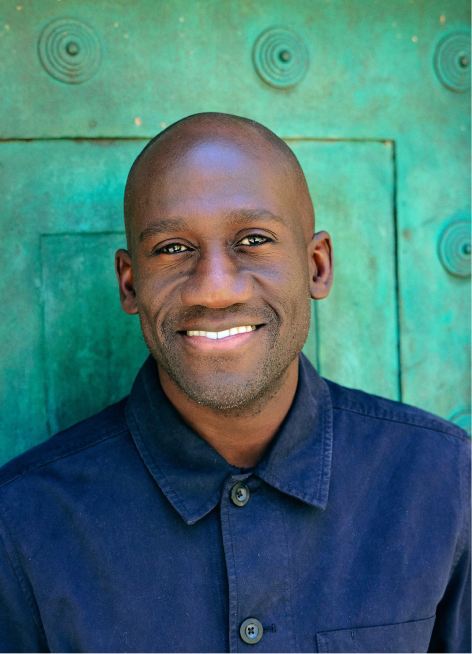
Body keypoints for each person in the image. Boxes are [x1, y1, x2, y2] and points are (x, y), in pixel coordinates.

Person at [0, 113, 470, 653]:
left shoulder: (443, 483)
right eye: (174, 248)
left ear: (316, 266)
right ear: (130, 284)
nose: (215, 290)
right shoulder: (24, 524)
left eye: (252, 239)